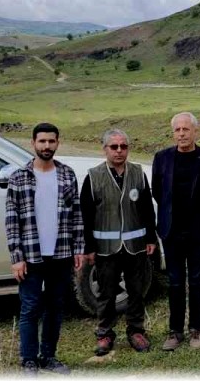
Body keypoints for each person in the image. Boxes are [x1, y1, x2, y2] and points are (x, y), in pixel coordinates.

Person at [4, 123, 85, 375]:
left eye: (51, 141)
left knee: (55, 308)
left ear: (57, 143)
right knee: (30, 308)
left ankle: (48, 355)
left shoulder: (67, 175)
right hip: (31, 255)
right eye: (42, 141)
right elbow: (11, 219)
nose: (46, 146)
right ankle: (28, 359)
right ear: (33, 143)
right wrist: (17, 257)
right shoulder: (19, 178)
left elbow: (77, 215)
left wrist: (79, 248)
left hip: (61, 254)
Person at [80, 129, 158, 356]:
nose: (119, 151)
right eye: (114, 147)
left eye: (123, 146)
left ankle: (136, 331)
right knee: (106, 293)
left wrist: (151, 238)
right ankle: (105, 333)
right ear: (105, 149)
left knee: (136, 291)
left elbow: (146, 210)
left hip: (135, 247)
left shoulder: (138, 173)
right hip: (106, 249)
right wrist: (89, 247)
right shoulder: (93, 177)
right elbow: (86, 215)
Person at [152, 112, 200, 351]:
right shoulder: (162, 158)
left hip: (198, 231)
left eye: (186, 129)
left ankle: (196, 330)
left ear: (195, 131)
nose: (181, 134)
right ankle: (175, 331)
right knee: (174, 282)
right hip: (171, 231)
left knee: (196, 280)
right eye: (177, 130)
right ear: (173, 133)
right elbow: (157, 192)